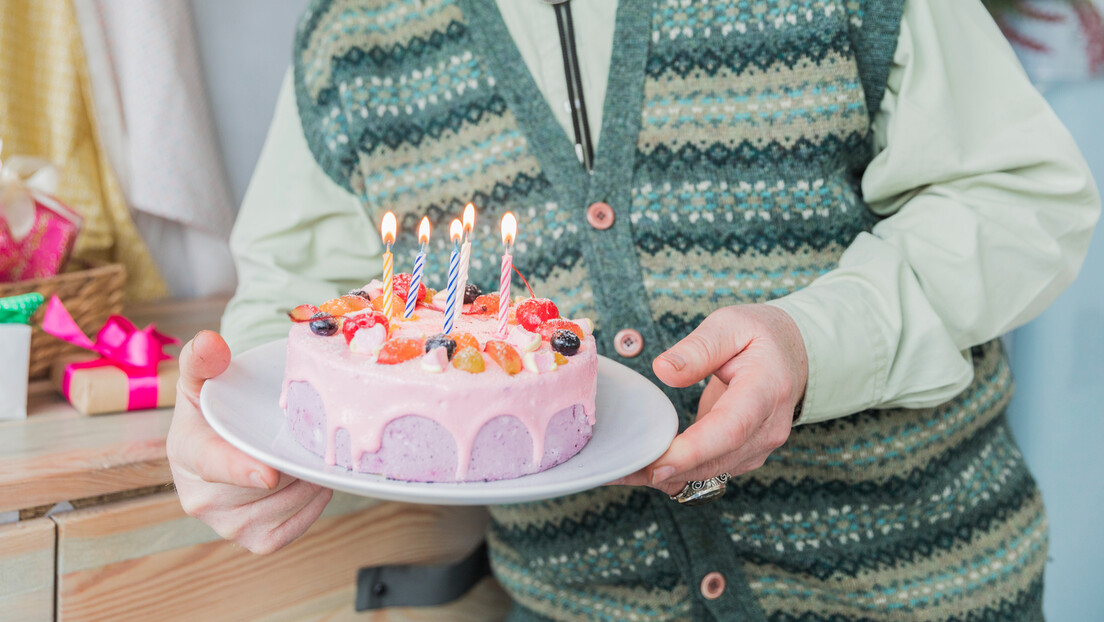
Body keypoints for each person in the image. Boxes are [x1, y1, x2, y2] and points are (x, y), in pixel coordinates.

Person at [168, 1, 1100, 619]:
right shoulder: (353, 33)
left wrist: (815, 342)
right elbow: (301, 309)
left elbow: (1020, 200)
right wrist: (241, 435)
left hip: (917, 590)